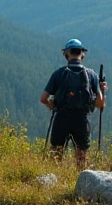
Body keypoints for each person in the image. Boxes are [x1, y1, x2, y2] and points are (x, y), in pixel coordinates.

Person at [39, 38, 106, 167]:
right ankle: (81, 182)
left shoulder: (58, 74)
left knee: (56, 155)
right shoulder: (91, 75)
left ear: (66, 54)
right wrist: (103, 91)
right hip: (81, 120)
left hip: (61, 118)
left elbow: (43, 98)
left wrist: (52, 105)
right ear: (82, 54)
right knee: (81, 157)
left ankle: (54, 180)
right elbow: (100, 103)